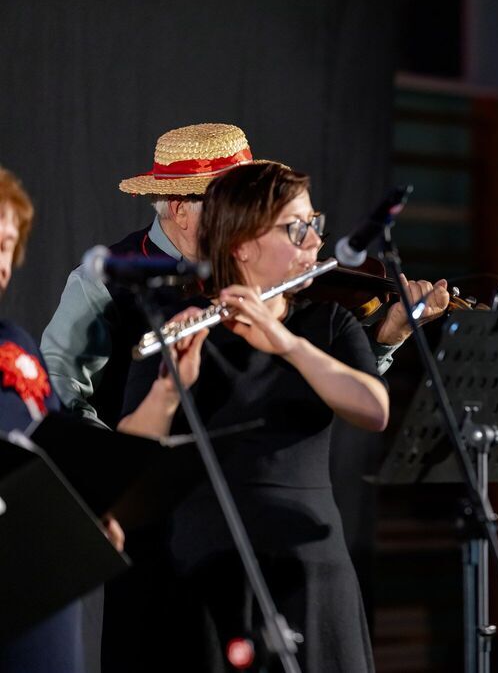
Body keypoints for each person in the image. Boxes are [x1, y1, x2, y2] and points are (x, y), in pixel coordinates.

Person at [117, 161, 388, 672]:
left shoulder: (328, 322)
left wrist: (286, 344)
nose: (314, 241)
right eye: (295, 228)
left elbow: (374, 410)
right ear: (241, 245)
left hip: (312, 569)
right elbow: (128, 454)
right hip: (206, 572)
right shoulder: (177, 323)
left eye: (315, 223)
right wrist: (170, 387)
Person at [40, 123, 446, 429]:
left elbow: (305, 389)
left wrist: (384, 342)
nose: (243, 217)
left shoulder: (260, 270)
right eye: (228, 202)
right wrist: (111, 482)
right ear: (181, 209)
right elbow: (60, 401)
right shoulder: (103, 281)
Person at [0, 166, 122, 672]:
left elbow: (54, 459)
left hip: (40, 596)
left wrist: (90, 515)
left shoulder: (15, 344)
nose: (0, 261)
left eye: (6, 244)